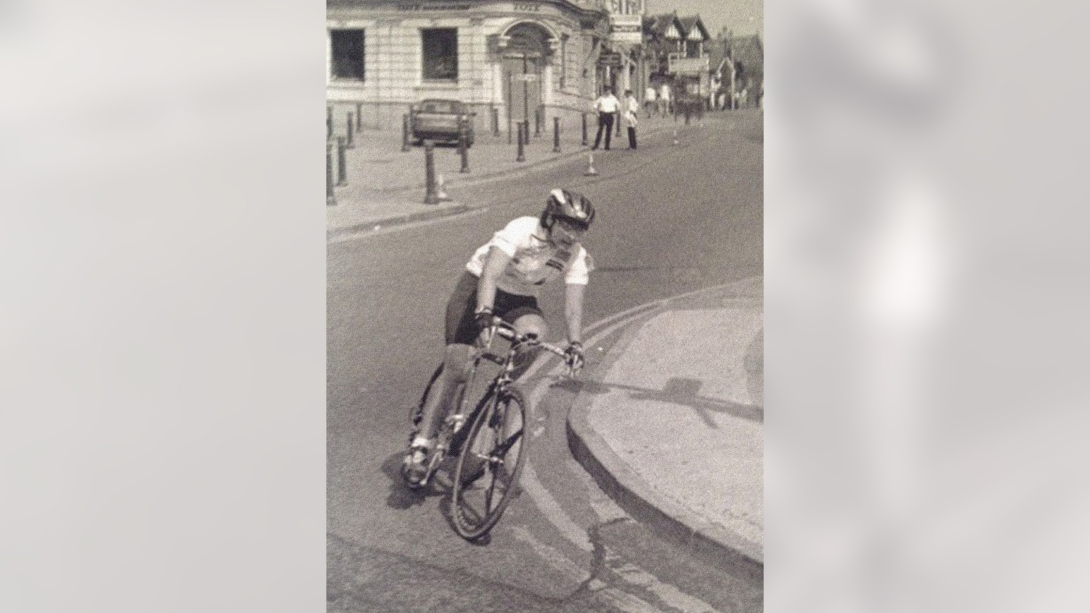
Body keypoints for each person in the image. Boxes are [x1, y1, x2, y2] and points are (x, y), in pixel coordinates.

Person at [402, 188, 596, 486]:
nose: (571, 235)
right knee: (458, 365)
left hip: (519, 300)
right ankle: (421, 445)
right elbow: (490, 275)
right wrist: (483, 316)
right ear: (550, 219)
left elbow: (573, 306)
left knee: (535, 337)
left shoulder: (575, 256)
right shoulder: (521, 228)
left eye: (579, 230)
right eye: (566, 225)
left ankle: (495, 396)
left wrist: (575, 344)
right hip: (477, 289)